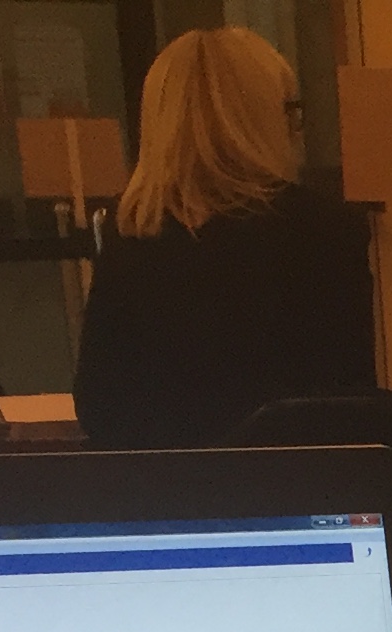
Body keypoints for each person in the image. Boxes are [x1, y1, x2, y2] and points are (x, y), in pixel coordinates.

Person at [73, 28, 375, 448]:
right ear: (263, 118)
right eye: (290, 109)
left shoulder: (132, 232)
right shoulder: (324, 229)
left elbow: (99, 404)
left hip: (163, 480)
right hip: (290, 476)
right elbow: (346, 400)